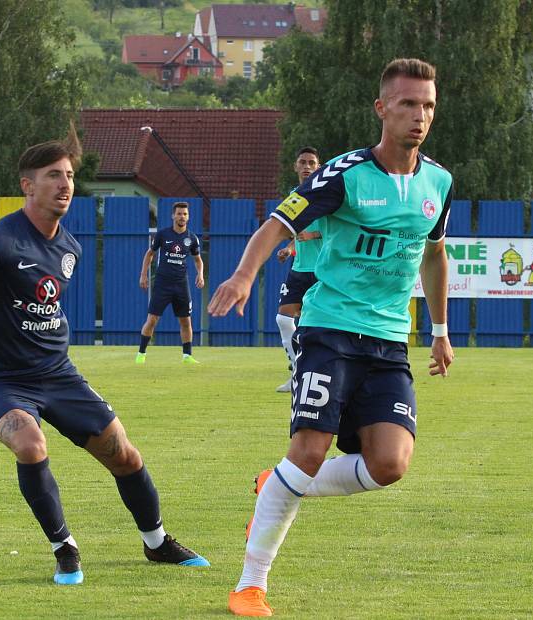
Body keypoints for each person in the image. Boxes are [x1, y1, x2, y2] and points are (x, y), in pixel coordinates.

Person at [208, 58, 454, 617]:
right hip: (330, 333)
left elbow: (436, 255)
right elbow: (279, 223)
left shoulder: (438, 182)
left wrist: (439, 329)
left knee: (389, 465)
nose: (419, 116)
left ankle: (278, 485)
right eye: (408, 104)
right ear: (382, 108)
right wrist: (245, 274)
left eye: (428, 106)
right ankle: (251, 584)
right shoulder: (343, 174)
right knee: (310, 452)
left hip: (390, 343)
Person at [0, 135, 208, 586]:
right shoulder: (1, 236)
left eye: (70, 176)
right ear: (28, 186)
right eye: (53, 175)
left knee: (126, 457)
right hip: (2, 381)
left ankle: (156, 543)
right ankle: (65, 548)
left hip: (59, 375)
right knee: (31, 446)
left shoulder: (70, 248)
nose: (65, 184)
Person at [274, 147, 322, 393]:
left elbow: (338, 231)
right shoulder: (294, 196)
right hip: (299, 267)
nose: (306, 166)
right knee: (283, 319)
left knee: (313, 325)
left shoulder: (327, 193)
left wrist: (312, 234)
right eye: (302, 162)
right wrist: (289, 247)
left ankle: (314, 374)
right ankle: (297, 374)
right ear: (295, 167)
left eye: (311, 163)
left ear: (318, 167)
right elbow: (294, 231)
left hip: (323, 270)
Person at [136, 201, 205, 364]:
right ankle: (141, 354)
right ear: (173, 216)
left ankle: (187, 356)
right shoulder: (163, 235)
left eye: (185, 214)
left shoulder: (192, 238)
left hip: (181, 284)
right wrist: (143, 275)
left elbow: (198, 260)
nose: (182, 217)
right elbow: (150, 254)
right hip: (162, 283)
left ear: (188, 217)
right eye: (179, 213)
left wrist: (200, 274)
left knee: (186, 321)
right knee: (152, 319)